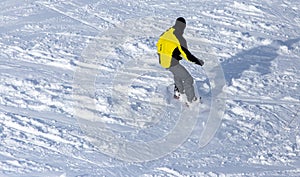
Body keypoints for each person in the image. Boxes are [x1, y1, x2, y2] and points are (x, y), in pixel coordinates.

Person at [156, 17, 204, 106]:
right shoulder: (178, 37)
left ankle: (179, 93)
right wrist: (198, 61)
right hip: (171, 62)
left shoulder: (167, 32)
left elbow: (159, 45)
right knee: (187, 78)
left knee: (177, 74)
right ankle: (191, 100)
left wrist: (167, 56)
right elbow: (187, 55)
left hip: (163, 61)